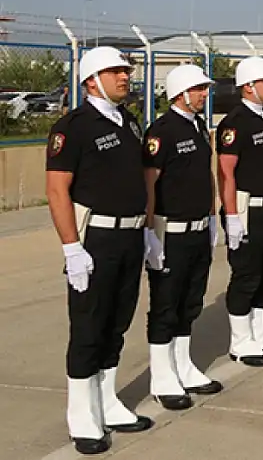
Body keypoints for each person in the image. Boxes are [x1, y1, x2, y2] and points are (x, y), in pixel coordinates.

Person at [46, 46, 153, 455]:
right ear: (91, 80)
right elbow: (57, 189)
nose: (125, 77)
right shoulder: (73, 127)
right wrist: (72, 248)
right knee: (89, 325)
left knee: (117, 322)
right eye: (115, 72)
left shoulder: (128, 121)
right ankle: (81, 412)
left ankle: (107, 400)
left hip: (129, 235)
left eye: (125, 71)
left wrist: (147, 228)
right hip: (96, 239)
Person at [142, 64, 223, 412]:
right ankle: (162, 377)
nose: (205, 95)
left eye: (205, 89)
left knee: (191, 300)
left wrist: (213, 215)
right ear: (181, 93)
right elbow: (149, 182)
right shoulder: (162, 131)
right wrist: (148, 232)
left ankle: (183, 366)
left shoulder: (199, 127)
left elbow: (205, 172)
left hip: (197, 227)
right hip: (169, 231)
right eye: (199, 90)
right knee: (166, 304)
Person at [215, 56, 263, 368]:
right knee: (246, 275)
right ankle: (240, 338)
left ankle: (259, 330)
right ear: (248, 87)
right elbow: (226, 173)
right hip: (247, 208)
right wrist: (231, 215)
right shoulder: (235, 123)